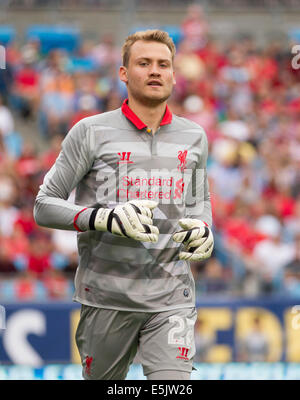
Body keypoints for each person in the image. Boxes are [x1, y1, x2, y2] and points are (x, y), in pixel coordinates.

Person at [34, 29, 214, 380]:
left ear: (174, 75)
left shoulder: (194, 135)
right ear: (123, 73)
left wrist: (205, 229)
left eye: (163, 64)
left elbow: (199, 200)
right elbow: (44, 205)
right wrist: (105, 218)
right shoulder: (89, 131)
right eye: (144, 63)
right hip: (106, 299)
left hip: (171, 296)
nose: (155, 71)